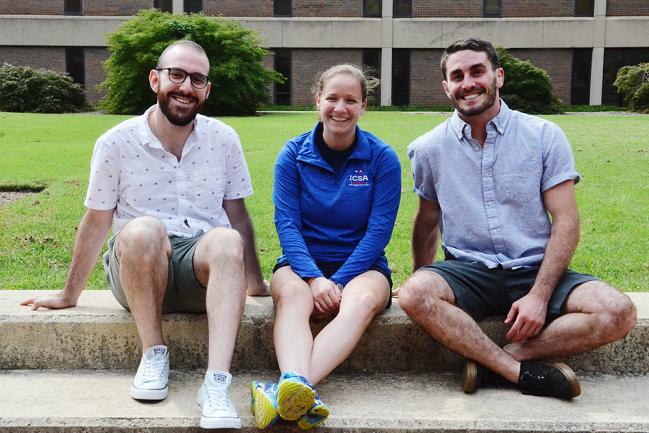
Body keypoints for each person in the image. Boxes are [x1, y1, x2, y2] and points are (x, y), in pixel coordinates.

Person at [20, 40, 268, 429]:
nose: (186, 86)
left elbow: (237, 214)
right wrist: (69, 294)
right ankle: (154, 354)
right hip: (136, 267)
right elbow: (97, 220)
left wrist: (255, 283)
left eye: (197, 79)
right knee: (143, 230)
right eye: (177, 75)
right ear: (156, 79)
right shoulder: (117, 141)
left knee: (226, 239)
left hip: (199, 270)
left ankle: (216, 384)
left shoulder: (224, 139)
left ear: (207, 90)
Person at [399, 38, 637, 400]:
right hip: (469, 270)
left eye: (477, 71)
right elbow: (427, 220)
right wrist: (422, 273)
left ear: (499, 75)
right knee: (416, 293)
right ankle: (518, 373)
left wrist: (539, 296)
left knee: (619, 311)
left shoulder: (543, 136)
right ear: (447, 86)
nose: (468, 83)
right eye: (457, 75)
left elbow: (566, 221)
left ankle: (498, 360)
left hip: (535, 267)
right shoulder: (429, 148)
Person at [250, 64, 401, 430]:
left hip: (364, 267)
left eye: (351, 100)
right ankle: (299, 394)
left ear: (364, 106)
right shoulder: (292, 154)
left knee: (361, 302)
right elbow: (287, 223)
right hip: (301, 265)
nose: (340, 107)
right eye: (332, 98)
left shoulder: (383, 158)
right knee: (292, 298)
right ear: (317, 100)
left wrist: (341, 280)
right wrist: (315, 278)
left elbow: (379, 232)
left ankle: (289, 390)